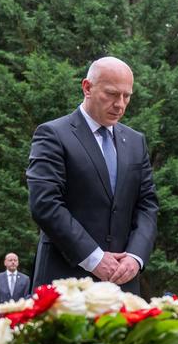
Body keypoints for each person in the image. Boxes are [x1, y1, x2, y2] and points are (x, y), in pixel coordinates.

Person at [26, 57, 159, 294]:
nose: (120, 104)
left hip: (123, 284)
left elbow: (147, 205)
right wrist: (94, 258)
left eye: (127, 96)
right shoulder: (52, 134)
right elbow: (45, 203)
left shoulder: (135, 141)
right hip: (64, 284)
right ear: (87, 87)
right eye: (112, 94)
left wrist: (135, 257)